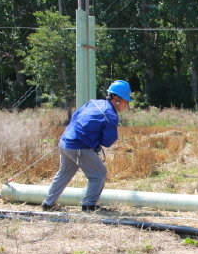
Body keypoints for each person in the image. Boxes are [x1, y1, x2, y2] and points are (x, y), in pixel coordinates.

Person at [42, 80, 131, 211]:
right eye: (126, 101)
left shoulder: (94, 102)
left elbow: (76, 117)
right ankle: (89, 205)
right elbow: (108, 141)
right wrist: (94, 143)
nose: (126, 105)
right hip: (79, 146)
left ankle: (48, 203)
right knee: (99, 174)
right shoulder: (110, 115)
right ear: (117, 99)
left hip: (65, 142)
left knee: (65, 172)